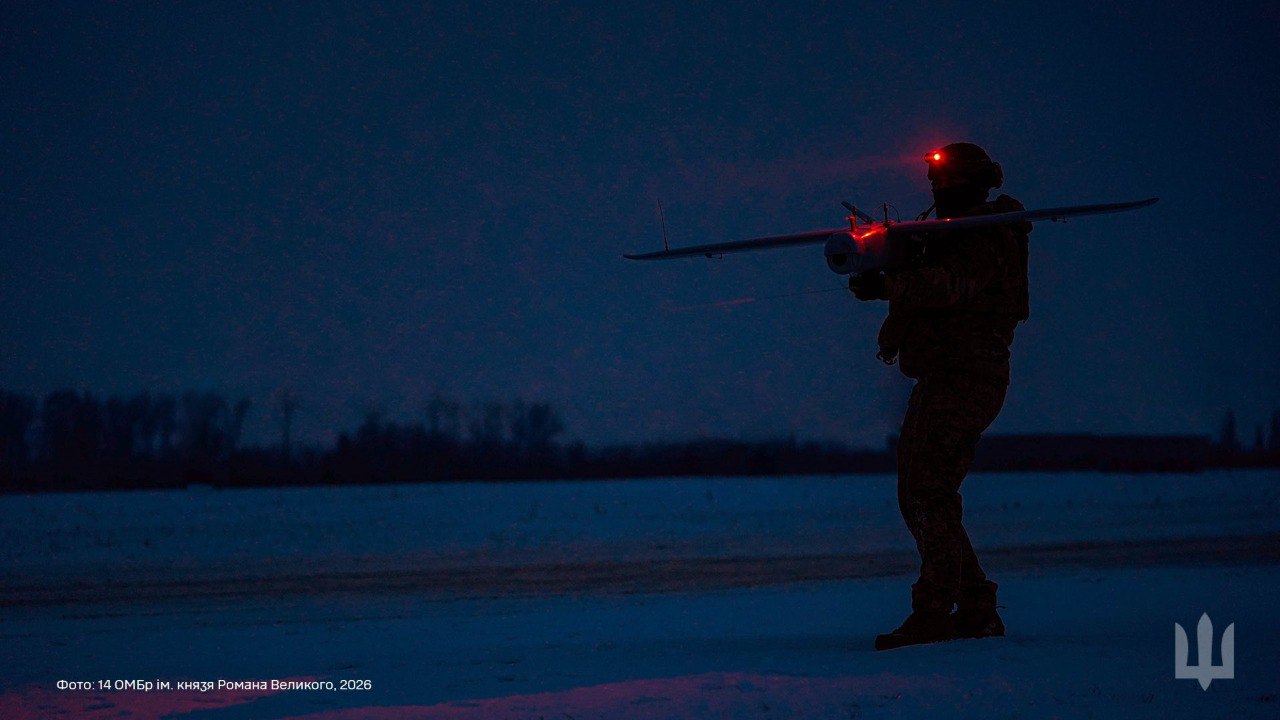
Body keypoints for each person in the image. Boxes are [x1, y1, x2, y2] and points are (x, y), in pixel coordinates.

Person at [848, 142, 1031, 651]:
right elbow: (926, 279)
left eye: (946, 182)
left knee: (929, 492)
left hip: (968, 375)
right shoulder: (950, 234)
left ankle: (934, 611)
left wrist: (891, 285)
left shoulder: (991, 235)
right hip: (942, 375)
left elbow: (952, 284)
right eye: (934, 183)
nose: (938, 191)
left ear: (974, 182)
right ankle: (976, 606)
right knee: (920, 495)